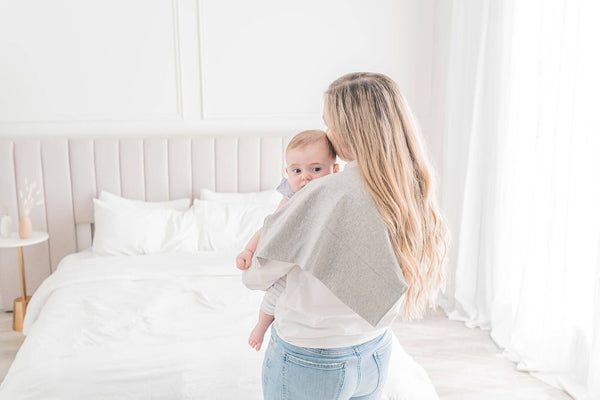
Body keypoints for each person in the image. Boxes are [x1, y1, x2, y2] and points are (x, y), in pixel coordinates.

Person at [242, 72, 448, 400]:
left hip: (312, 357)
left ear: (350, 129)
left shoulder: (327, 194)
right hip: (376, 348)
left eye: (330, 123)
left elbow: (256, 276)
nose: (327, 133)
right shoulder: (409, 188)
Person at [236, 129, 339, 351]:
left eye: (316, 169)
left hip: (324, 266)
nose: (305, 177)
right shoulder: (292, 197)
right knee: (276, 292)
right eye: (297, 170)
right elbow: (269, 226)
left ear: (335, 170)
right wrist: (248, 251)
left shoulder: (336, 194)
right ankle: (261, 327)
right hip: (292, 260)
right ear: (287, 173)